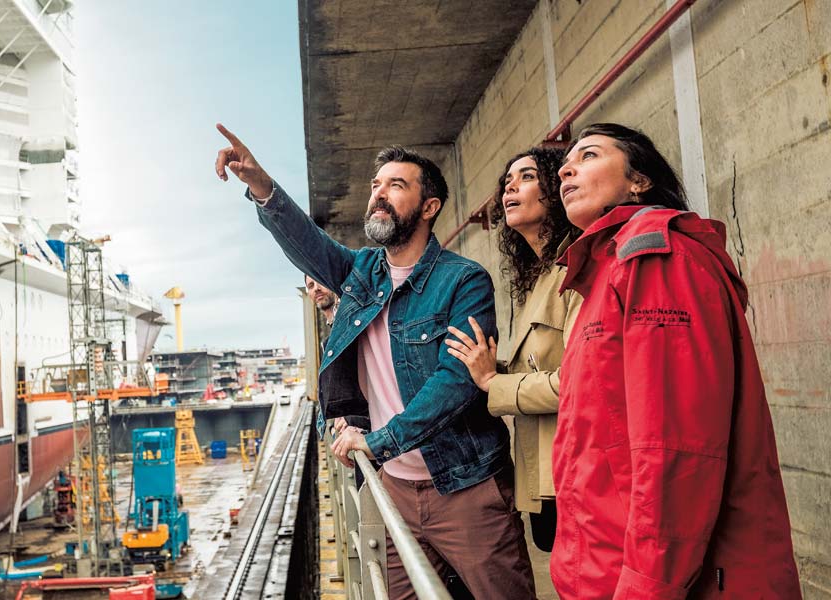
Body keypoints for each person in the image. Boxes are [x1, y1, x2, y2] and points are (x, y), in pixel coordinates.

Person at [214, 124, 535, 599]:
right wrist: (262, 186)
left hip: (465, 487)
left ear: (430, 208)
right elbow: (307, 244)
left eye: (396, 186)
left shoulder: (464, 281)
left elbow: (455, 382)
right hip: (394, 491)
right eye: (375, 186)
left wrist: (379, 441)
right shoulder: (362, 272)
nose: (379, 195)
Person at [549, 122, 800, 598]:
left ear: (638, 181)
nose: (566, 168)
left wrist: (648, 583)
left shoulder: (656, 257)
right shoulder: (606, 270)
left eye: (589, 155)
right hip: (604, 563)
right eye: (567, 161)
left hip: (654, 577)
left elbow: (675, 447)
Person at [444, 146, 581, 553]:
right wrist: (485, 365)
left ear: (555, 190)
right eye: (507, 182)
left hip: (574, 468)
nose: (510, 188)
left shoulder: (576, 268)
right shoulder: (537, 276)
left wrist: (492, 382)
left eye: (527, 177)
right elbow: (540, 363)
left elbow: (576, 383)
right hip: (543, 470)